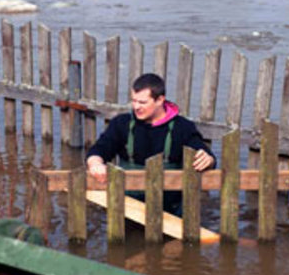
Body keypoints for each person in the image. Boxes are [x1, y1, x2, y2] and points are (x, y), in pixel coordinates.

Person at [85, 73, 215, 215]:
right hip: (127, 210)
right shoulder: (121, 124)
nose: (136, 107)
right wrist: (95, 163)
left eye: (142, 102)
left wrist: (208, 159)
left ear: (160, 100)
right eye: (134, 101)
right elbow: (100, 148)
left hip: (171, 213)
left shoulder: (182, 127)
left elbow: (205, 154)